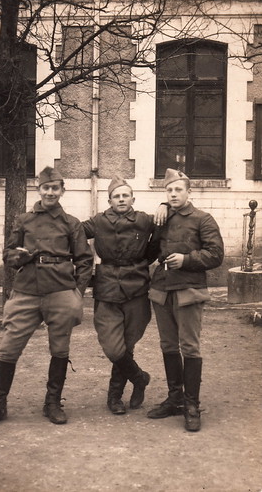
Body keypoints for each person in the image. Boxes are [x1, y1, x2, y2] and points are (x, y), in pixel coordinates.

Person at [0, 167, 93, 428]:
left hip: (61, 291)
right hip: (26, 291)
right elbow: (7, 254)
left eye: (55, 188)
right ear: (38, 189)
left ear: (62, 191)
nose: (50, 192)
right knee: (9, 347)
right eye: (46, 187)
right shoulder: (23, 220)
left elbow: (85, 261)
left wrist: (77, 294)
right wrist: (18, 256)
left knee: (60, 349)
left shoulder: (72, 223)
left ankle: (52, 403)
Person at [146, 168, 224, 431]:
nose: (173, 193)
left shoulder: (203, 219)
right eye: (169, 190)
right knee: (168, 345)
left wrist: (187, 259)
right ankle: (175, 398)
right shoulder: (162, 219)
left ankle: (192, 404)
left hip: (188, 291)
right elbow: (151, 250)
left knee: (189, 347)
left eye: (178, 189)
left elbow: (216, 255)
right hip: (162, 291)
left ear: (189, 192)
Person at [82, 175, 167, 415]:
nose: (121, 199)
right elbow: (73, 231)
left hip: (137, 288)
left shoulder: (143, 220)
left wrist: (165, 205)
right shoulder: (98, 221)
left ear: (132, 198)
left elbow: (166, 223)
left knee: (127, 346)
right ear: (109, 200)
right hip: (107, 289)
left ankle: (115, 397)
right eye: (116, 196)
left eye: (125, 195)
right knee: (113, 347)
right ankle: (139, 378)